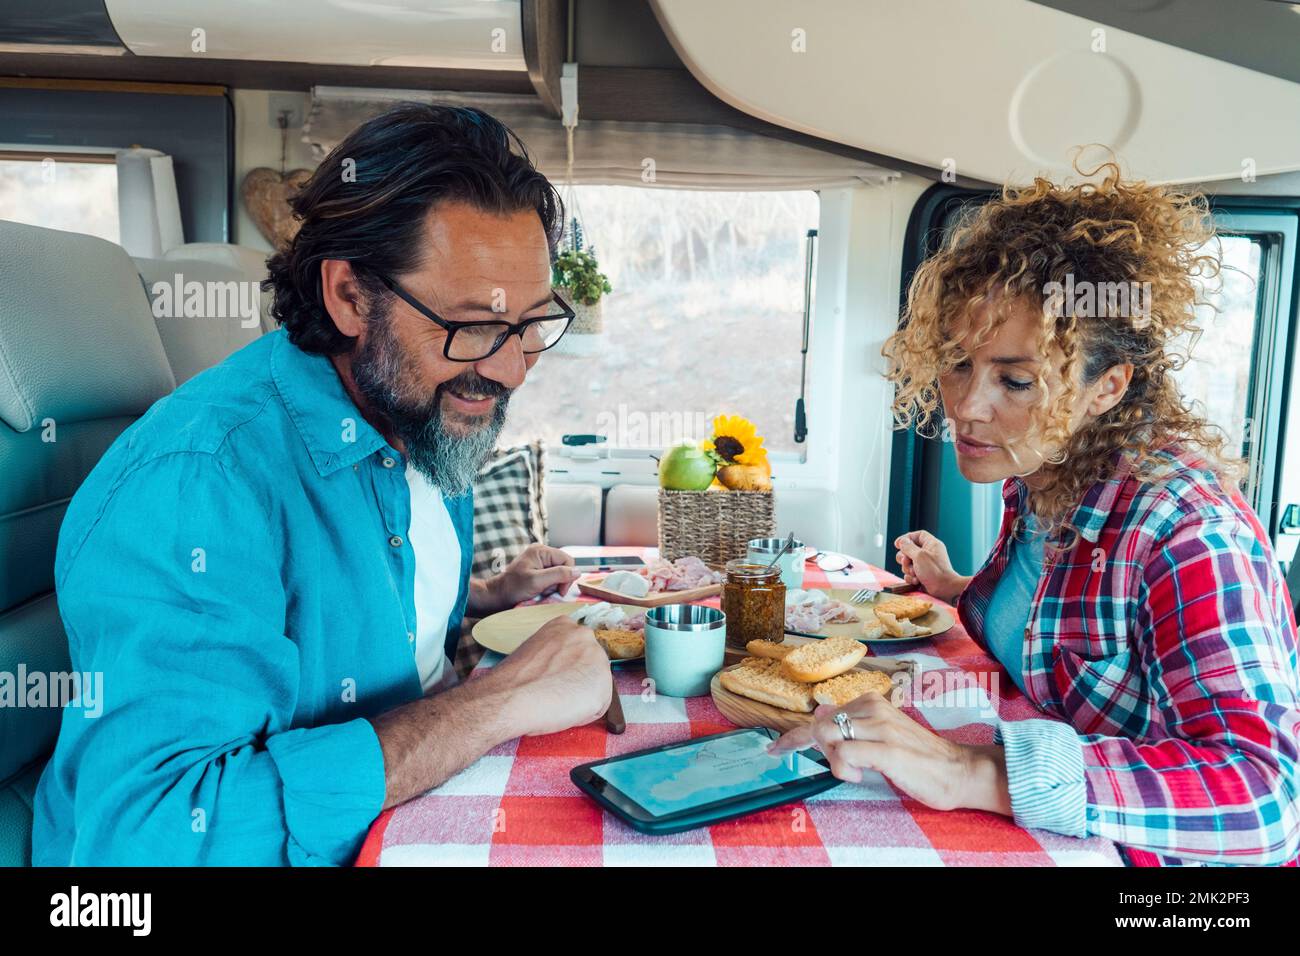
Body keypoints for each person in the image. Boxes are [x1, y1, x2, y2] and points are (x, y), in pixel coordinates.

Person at [33, 104, 612, 865]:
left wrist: (477, 597)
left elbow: (347, 601)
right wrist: (498, 703)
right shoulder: (198, 484)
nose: (507, 371)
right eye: (472, 326)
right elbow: (151, 840)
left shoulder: (422, 413)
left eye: (532, 325)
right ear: (347, 297)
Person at [774, 162, 1300, 866]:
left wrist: (969, 772)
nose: (965, 406)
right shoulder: (1040, 474)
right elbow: (1056, 630)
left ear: (1107, 388)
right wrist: (958, 590)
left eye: (1014, 380)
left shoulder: (1189, 534)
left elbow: (1266, 798)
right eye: (959, 364)